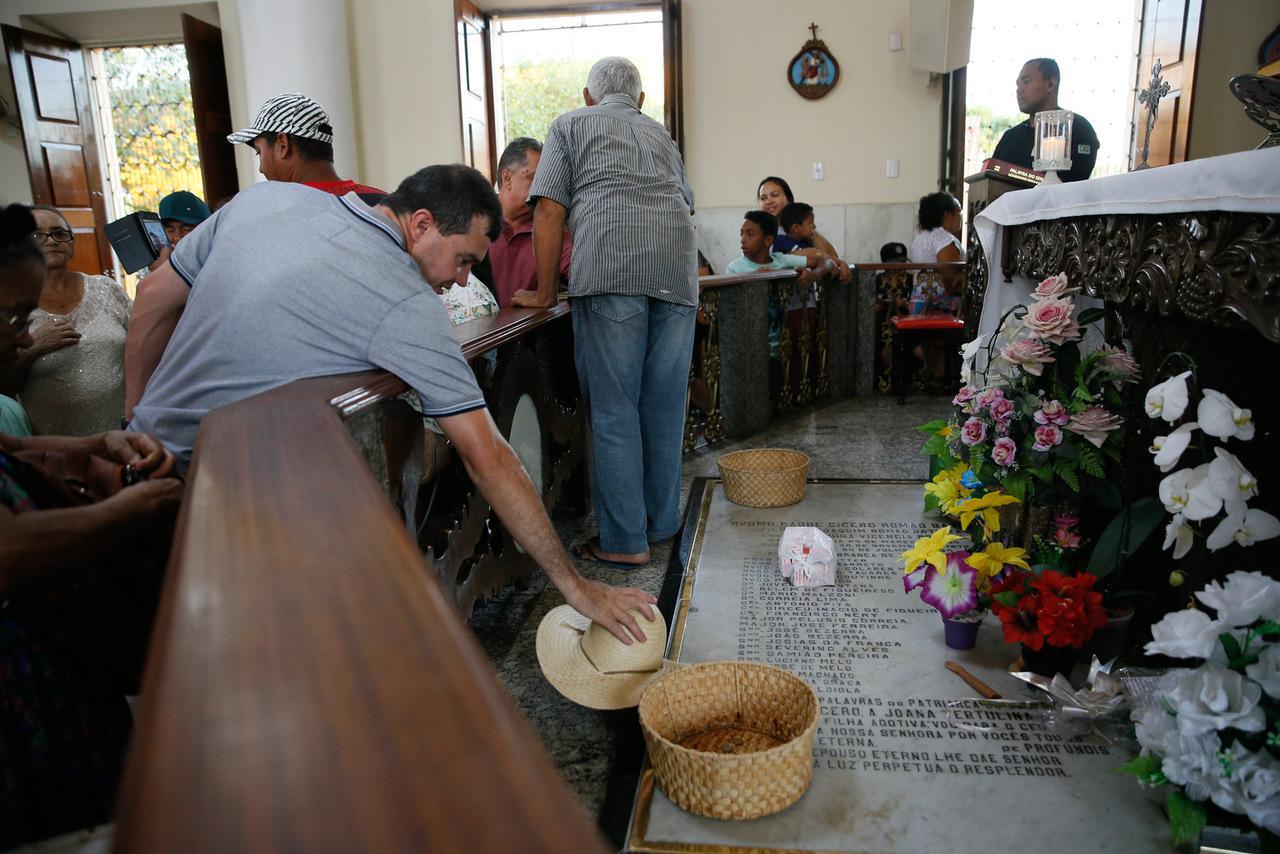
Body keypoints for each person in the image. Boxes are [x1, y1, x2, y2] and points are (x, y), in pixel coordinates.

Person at [126, 164, 655, 644]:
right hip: (216, 520)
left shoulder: (266, 199)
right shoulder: (407, 303)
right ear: (421, 224)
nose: (463, 279)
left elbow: (152, 299)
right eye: (464, 260)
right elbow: (488, 456)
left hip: (130, 468)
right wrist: (575, 586)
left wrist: (135, 424)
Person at [0, 202, 183, 847]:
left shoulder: (102, 293)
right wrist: (125, 512)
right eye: (11, 318)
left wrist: (95, 444)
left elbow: (7, 449)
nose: (19, 336)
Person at [512, 57, 697, 571]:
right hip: (678, 276)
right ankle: (660, 523)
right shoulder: (661, 134)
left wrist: (544, 292)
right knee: (664, 407)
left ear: (588, 96)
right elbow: (686, 204)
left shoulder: (570, 124)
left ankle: (623, 540)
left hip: (612, 269)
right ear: (640, 101)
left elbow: (549, 209)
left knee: (615, 411)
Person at [4, 206, 131, 436]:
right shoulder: (11, 304)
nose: (52, 240)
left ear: (72, 243)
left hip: (122, 428)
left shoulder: (106, 289)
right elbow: (4, 388)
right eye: (38, 235)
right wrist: (34, 348)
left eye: (59, 233)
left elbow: (142, 349)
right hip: (52, 441)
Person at [227, 92, 385, 202]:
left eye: (259, 152)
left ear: (283, 144)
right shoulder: (384, 204)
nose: (261, 168)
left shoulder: (277, 215)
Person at [485, 137, 571, 308]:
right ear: (507, 178)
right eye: (535, 179)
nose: (545, 189)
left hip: (531, 323)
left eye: (548, 181)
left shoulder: (554, 230)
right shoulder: (476, 226)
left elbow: (581, 273)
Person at [991, 58, 1099, 182]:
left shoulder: (1078, 129)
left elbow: (1073, 183)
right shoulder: (1010, 137)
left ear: (1050, 84)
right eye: (1018, 84)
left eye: (1026, 81)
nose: (1019, 90)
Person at [756, 176, 852, 281]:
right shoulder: (757, 232)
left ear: (788, 199)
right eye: (763, 198)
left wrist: (810, 231)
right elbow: (811, 255)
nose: (768, 201)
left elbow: (832, 258)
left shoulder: (800, 229)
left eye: (774, 195)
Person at [142, 190, 212, 276]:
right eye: (170, 230)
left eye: (187, 229)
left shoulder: (215, 261)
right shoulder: (158, 264)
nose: (177, 237)